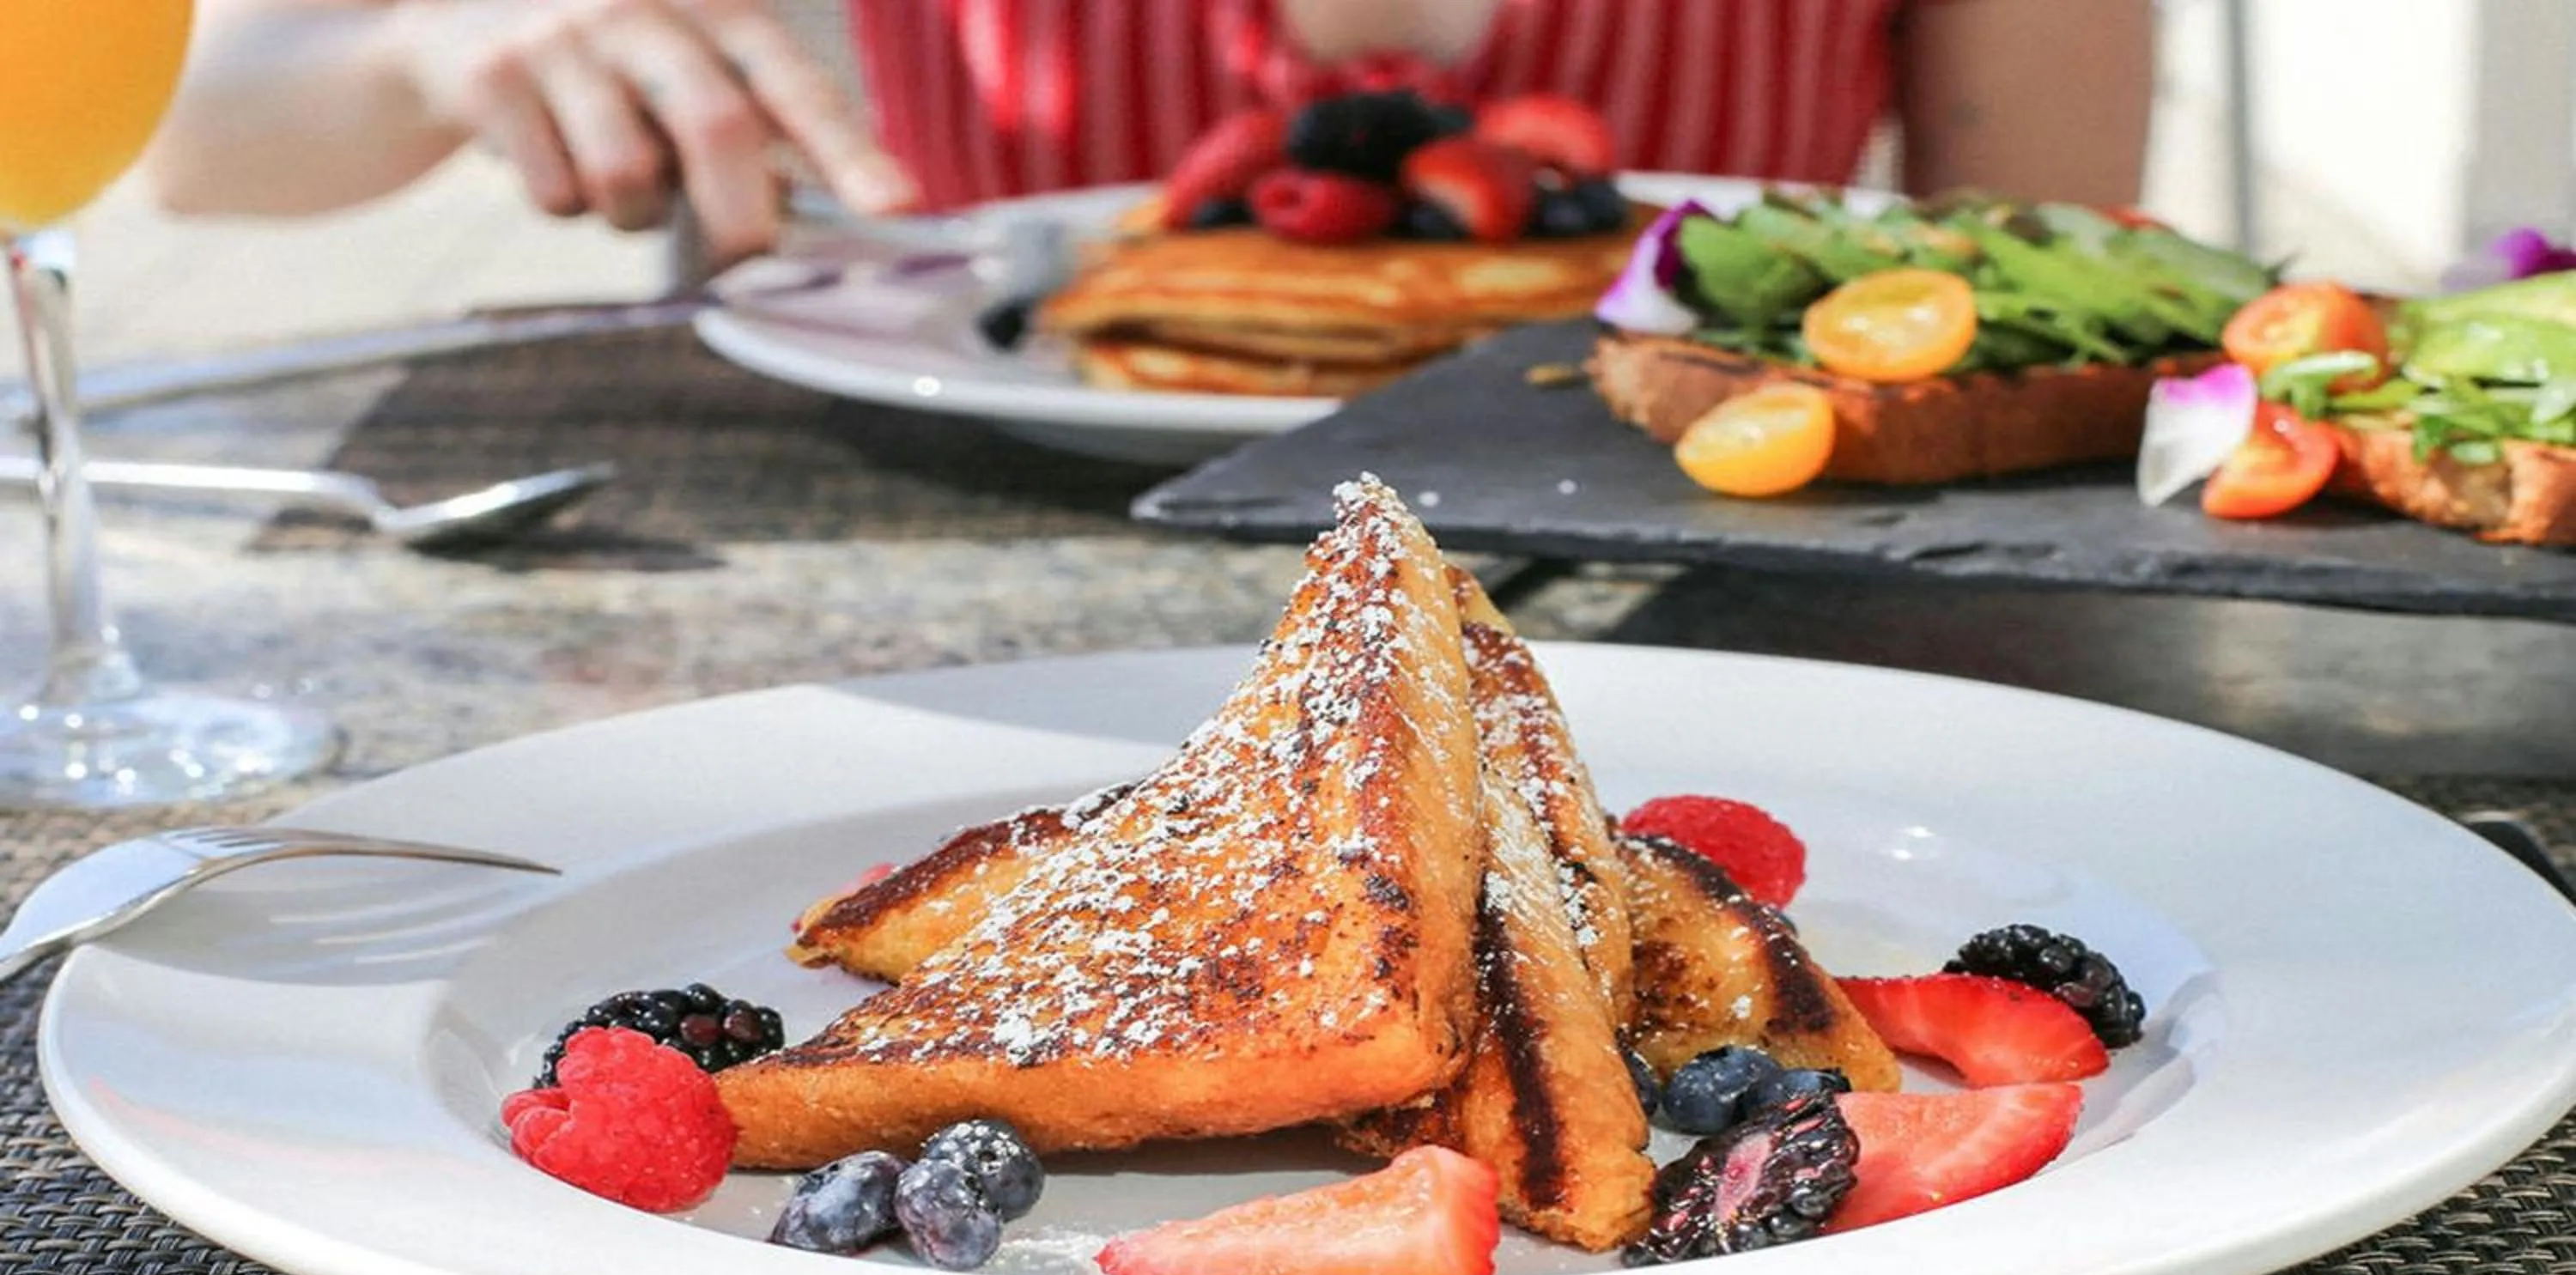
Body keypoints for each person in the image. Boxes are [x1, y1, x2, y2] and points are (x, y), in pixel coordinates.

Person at [143, 0, 2154, 266]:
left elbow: (2056, 272)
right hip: (918, 624)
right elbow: (187, 146)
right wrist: (430, 49)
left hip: (1689, 605)